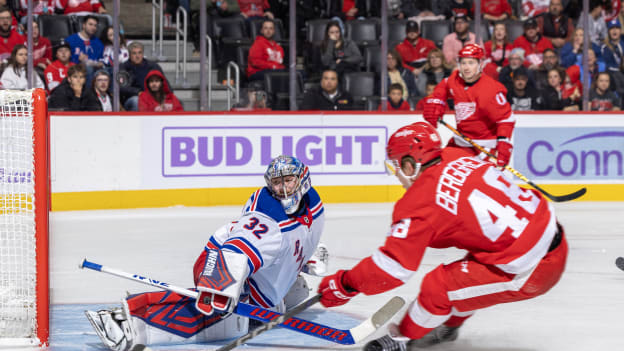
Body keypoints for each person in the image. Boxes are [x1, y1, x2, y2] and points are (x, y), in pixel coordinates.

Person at [317, 122, 568, 351]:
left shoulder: (419, 202)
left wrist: (345, 284)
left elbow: (392, 269)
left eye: (395, 165)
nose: (395, 174)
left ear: (409, 164)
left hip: (533, 268)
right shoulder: (457, 155)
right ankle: (449, 325)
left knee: (437, 287)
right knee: (462, 274)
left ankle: (403, 340)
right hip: (544, 233)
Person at [85, 155, 328, 351]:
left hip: (257, 270)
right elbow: (235, 253)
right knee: (225, 318)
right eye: (277, 183)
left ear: (302, 181)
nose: (283, 189)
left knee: (296, 292)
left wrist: (306, 258)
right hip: (220, 261)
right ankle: (130, 321)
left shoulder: (313, 204)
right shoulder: (268, 219)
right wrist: (220, 289)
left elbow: (297, 237)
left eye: (288, 181)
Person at [423, 44, 515, 168]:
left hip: (484, 147)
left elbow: (506, 119)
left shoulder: (490, 90)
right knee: (438, 172)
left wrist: (504, 144)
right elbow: (445, 84)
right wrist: (437, 101)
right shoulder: (456, 79)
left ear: (480, 64)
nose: (466, 68)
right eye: (463, 63)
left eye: (471, 63)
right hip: (460, 142)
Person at [120, 42, 165, 111]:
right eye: (134, 53)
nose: (137, 56)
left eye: (140, 53)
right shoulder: (123, 68)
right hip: (132, 98)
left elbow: (164, 84)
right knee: (137, 101)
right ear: (129, 55)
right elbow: (121, 88)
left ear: (143, 54)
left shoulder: (153, 66)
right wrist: (138, 92)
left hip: (152, 96)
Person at [65, 15, 105, 83]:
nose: (93, 27)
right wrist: (78, 58)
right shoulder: (71, 40)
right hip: (76, 68)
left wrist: (100, 63)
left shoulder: (98, 42)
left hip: (96, 69)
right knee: (88, 69)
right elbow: (65, 58)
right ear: (83, 25)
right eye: (90, 24)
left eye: (95, 26)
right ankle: (88, 93)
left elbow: (101, 58)